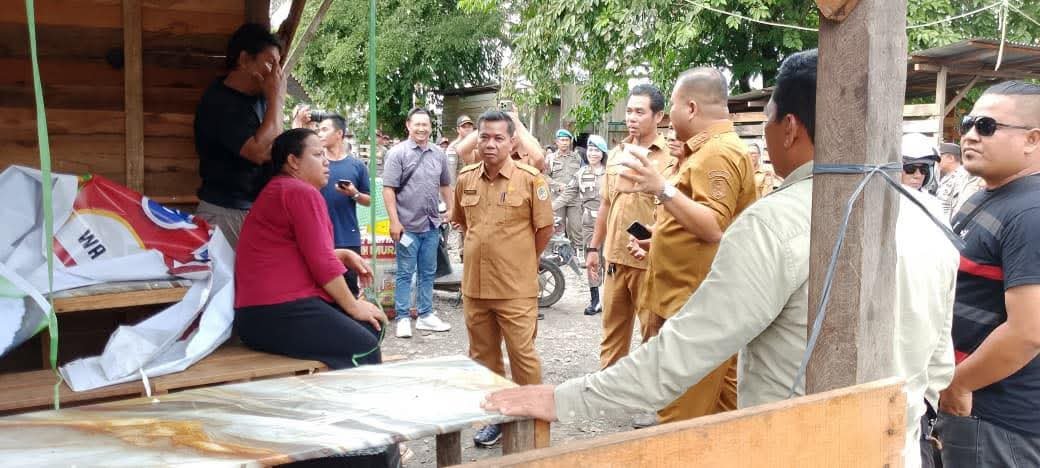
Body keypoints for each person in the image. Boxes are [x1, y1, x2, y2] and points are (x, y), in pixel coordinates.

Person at [483, 49, 958, 468]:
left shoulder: (775, 221)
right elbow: (938, 370)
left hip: (796, 447)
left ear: (790, 127)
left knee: (683, 433)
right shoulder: (928, 217)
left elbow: (681, 355)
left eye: (768, 116)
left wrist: (562, 399)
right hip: (892, 449)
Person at [622, 67, 758, 425]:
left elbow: (712, 226)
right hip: (698, 304)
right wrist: (660, 238)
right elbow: (699, 222)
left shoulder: (717, 153)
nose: (671, 115)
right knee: (721, 414)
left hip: (695, 309)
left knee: (678, 419)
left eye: (674, 105)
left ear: (692, 108)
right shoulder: (705, 152)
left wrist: (660, 187)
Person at [934, 81, 1040, 468]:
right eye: (968, 123)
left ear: (1032, 139)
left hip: (997, 418)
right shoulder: (984, 197)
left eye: (987, 126)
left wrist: (960, 383)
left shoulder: (1030, 213)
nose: (970, 135)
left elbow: (1028, 331)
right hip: (969, 406)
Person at [233, 128, 386, 370]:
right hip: (274, 311)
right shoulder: (298, 191)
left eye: (324, 154)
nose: (326, 161)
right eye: (317, 154)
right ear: (293, 161)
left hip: (260, 315)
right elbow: (322, 264)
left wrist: (342, 254)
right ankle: (346, 397)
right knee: (365, 346)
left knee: (371, 326)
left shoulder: (283, 188)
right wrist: (353, 305)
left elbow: (298, 253)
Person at [453, 110, 555, 447]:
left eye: (499, 138)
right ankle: (496, 418)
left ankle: (534, 421)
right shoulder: (466, 178)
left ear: (512, 142)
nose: (490, 144)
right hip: (476, 287)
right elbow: (463, 223)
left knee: (523, 356)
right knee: (483, 357)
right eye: (484, 137)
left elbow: (544, 229)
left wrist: (523, 259)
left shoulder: (530, 180)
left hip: (515, 288)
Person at [586, 84, 674, 376]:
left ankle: (651, 395)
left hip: (649, 262)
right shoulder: (616, 154)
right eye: (629, 111)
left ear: (658, 116)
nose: (631, 118)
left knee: (653, 335)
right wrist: (593, 248)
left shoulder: (670, 158)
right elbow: (605, 203)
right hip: (615, 259)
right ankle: (608, 390)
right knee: (612, 333)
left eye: (640, 112)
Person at [193, 23, 285, 248]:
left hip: (251, 208)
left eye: (279, 64)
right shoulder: (220, 101)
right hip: (225, 211)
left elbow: (277, 146)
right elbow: (260, 152)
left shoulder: (262, 99)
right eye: (270, 63)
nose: (276, 73)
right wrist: (276, 99)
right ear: (244, 60)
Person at [382, 108, 454, 339]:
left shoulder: (438, 154)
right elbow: (388, 189)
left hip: (431, 224)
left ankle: (425, 315)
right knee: (405, 273)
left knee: (428, 272)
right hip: (406, 226)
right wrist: (394, 221)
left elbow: (445, 184)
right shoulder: (397, 153)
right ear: (408, 125)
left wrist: (451, 208)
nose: (422, 128)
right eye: (417, 124)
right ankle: (403, 317)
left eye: (426, 124)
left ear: (431, 127)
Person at [314, 113, 372, 298]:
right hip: (318, 235)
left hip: (348, 236)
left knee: (349, 291)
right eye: (318, 130)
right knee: (321, 289)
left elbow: (369, 200)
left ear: (339, 133)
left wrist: (354, 193)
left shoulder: (357, 166)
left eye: (324, 129)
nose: (320, 134)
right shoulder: (314, 163)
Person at [553, 134, 608, 316]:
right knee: (592, 260)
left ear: (603, 153)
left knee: (609, 260)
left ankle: (610, 298)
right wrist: (549, 208)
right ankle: (595, 300)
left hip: (609, 222)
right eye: (590, 150)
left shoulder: (610, 173)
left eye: (597, 150)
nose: (593, 153)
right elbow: (568, 194)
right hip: (589, 223)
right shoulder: (580, 174)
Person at [546, 129, 584, 250]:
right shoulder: (550, 158)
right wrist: (557, 185)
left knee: (577, 228)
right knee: (558, 228)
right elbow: (543, 176)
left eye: (567, 140)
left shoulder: (577, 157)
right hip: (558, 198)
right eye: (562, 140)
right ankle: (558, 253)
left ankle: (578, 252)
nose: (564, 143)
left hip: (574, 199)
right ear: (557, 142)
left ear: (570, 141)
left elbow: (583, 173)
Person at [935, 142, 982, 220]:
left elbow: (962, 208)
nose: (936, 161)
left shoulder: (965, 177)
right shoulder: (946, 176)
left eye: (939, 157)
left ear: (950, 158)